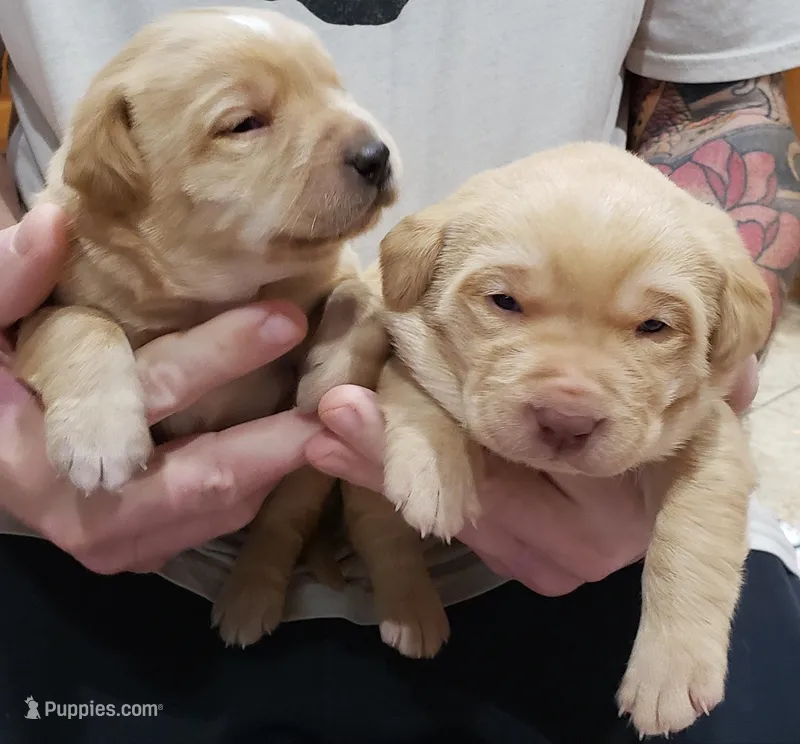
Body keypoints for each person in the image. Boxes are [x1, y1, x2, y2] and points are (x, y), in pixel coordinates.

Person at [1, 1, 799, 742]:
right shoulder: (97, 224)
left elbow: (725, 102)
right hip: (56, 504)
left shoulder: (348, 278)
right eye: (246, 122)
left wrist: (697, 369)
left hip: (588, 528)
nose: (365, 141)